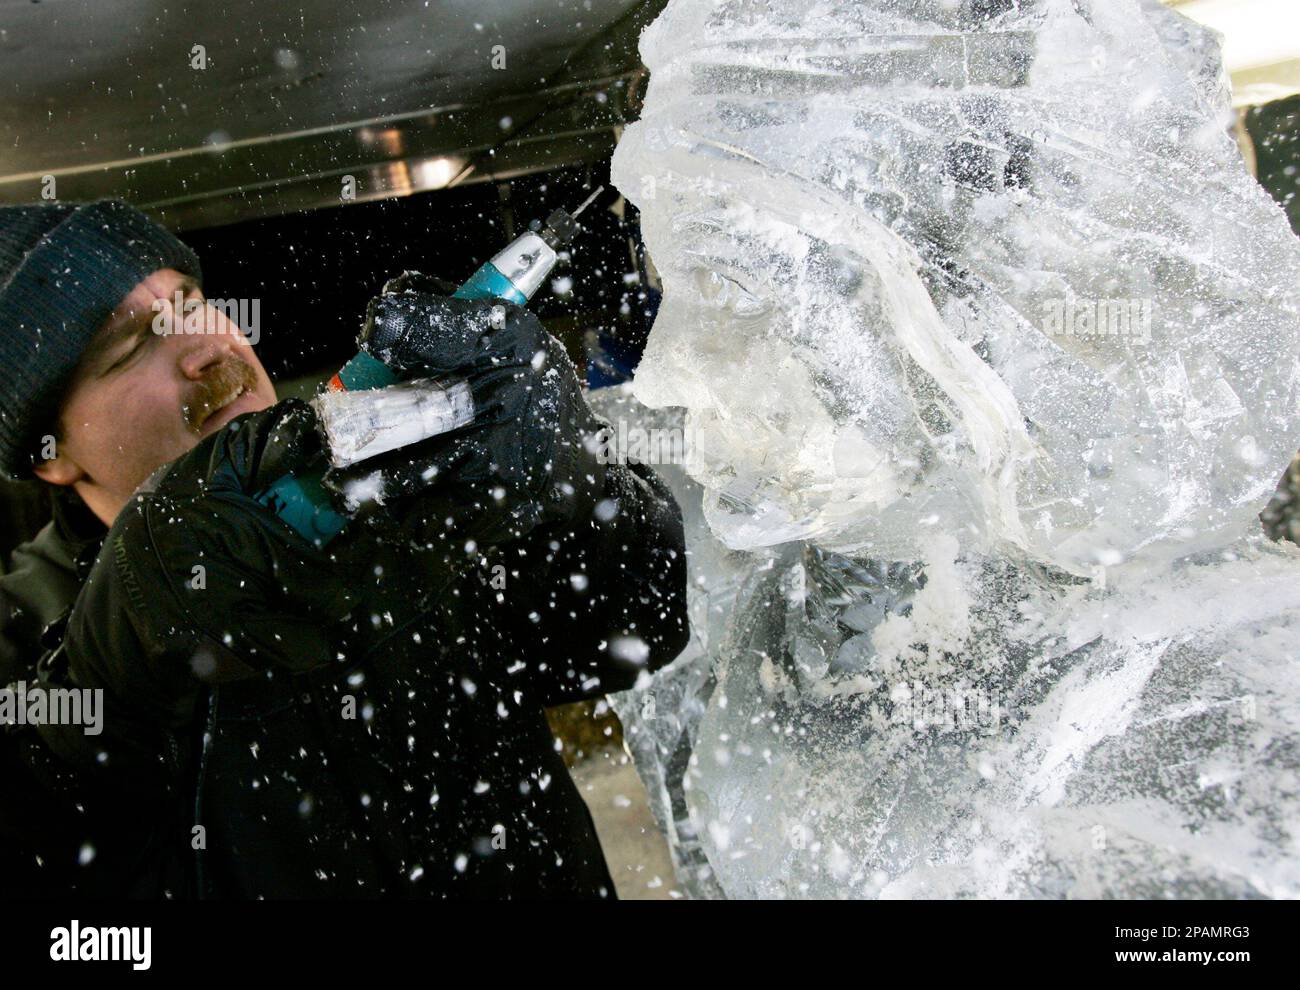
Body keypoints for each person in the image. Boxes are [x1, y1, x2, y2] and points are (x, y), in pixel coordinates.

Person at [0, 199, 689, 898]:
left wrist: (569, 479)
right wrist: (136, 604)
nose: (206, 346)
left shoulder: (397, 482)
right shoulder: (22, 637)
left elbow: (637, 629)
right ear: (50, 456)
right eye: (132, 344)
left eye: (190, 303)